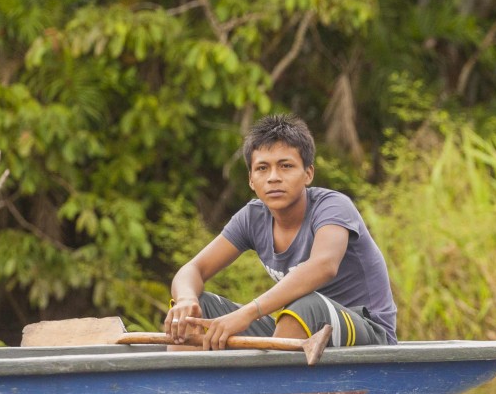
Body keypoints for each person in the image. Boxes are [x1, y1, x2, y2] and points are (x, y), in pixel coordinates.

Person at [166, 114, 397, 351]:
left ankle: (272, 386)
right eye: (262, 168)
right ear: (251, 180)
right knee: (194, 312)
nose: (273, 177)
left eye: (286, 166)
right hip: (299, 334)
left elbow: (324, 265)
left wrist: (249, 312)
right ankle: (186, 389)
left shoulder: (332, 207)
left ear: (308, 173)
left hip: (369, 332)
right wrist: (185, 300)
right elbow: (193, 269)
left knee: (306, 306)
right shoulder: (253, 217)